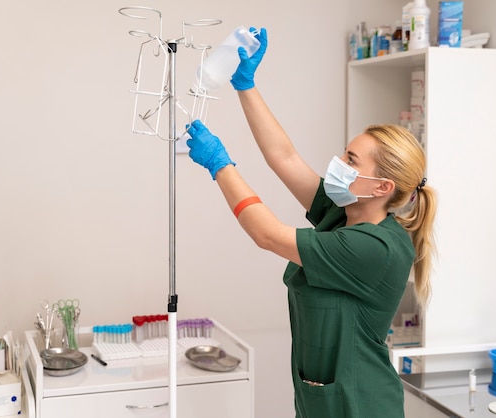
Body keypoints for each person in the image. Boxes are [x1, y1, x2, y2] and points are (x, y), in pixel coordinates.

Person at [186, 27, 437, 418]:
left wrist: (220, 164)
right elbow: (284, 157)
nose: (339, 164)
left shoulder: (375, 248)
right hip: (324, 399)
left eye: (351, 161)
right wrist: (245, 85)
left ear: (382, 186)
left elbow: (267, 235)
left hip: (361, 405)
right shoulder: (345, 212)